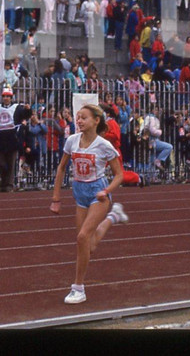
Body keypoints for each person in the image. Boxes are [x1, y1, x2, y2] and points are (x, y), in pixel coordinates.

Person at [50, 103, 128, 305]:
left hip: (97, 194)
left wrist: (106, 191)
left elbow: (119, 175)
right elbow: (61, 168)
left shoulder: (104, 145)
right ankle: (113, 217)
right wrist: (56, 198)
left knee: (82, 237)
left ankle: (78, 288)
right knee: (88, 245)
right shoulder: (72, 141)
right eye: (78, 117)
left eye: (84, 117)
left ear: (96, 120)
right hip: (79, 192)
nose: (79, 121)